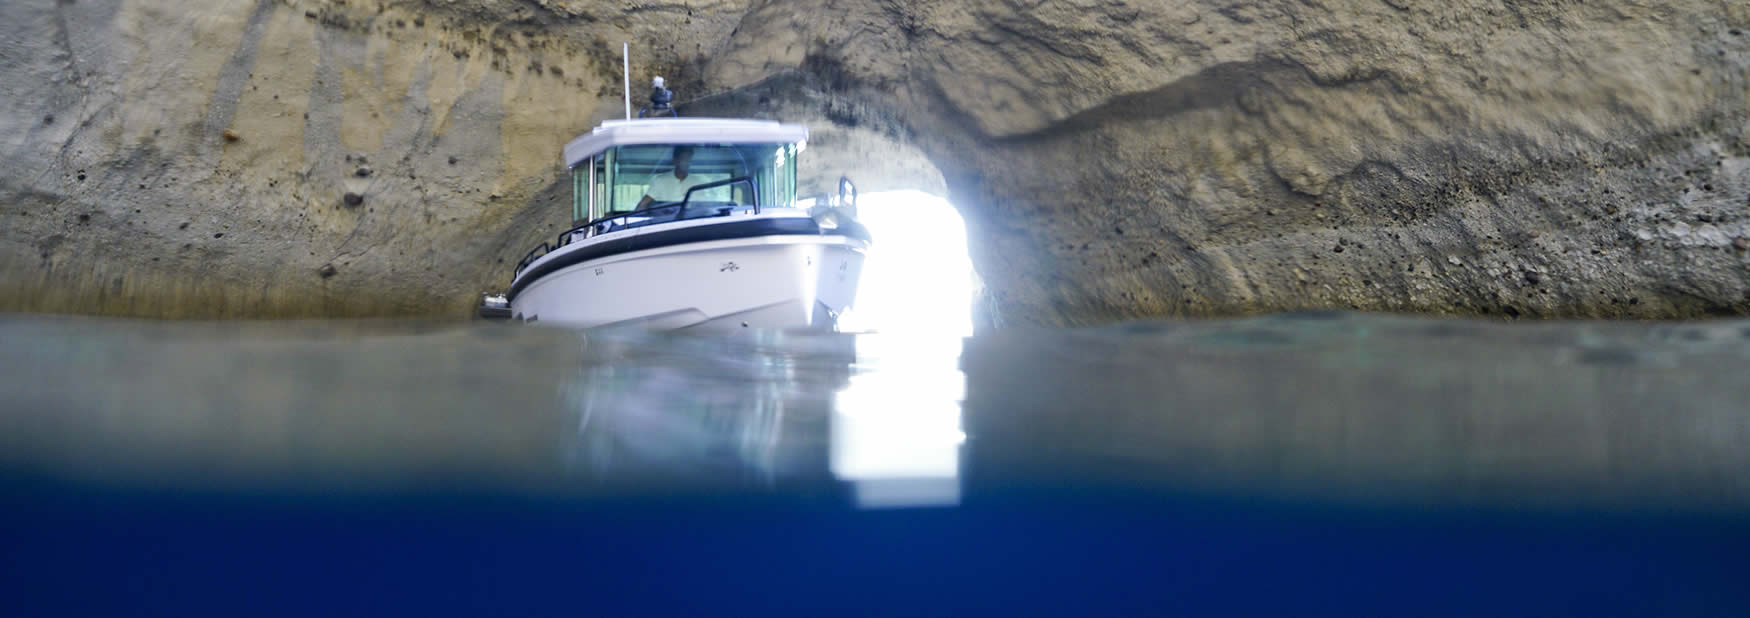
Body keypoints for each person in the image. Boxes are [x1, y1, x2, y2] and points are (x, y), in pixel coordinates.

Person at [635, 146, 705, 210]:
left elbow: (703, 207)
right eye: (683, 159)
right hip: (664, 222)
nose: (686, 163)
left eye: (688, 159)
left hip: (692, 222)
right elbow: (643, 204)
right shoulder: (661, 180)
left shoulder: (697, 182)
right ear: (675, 160)